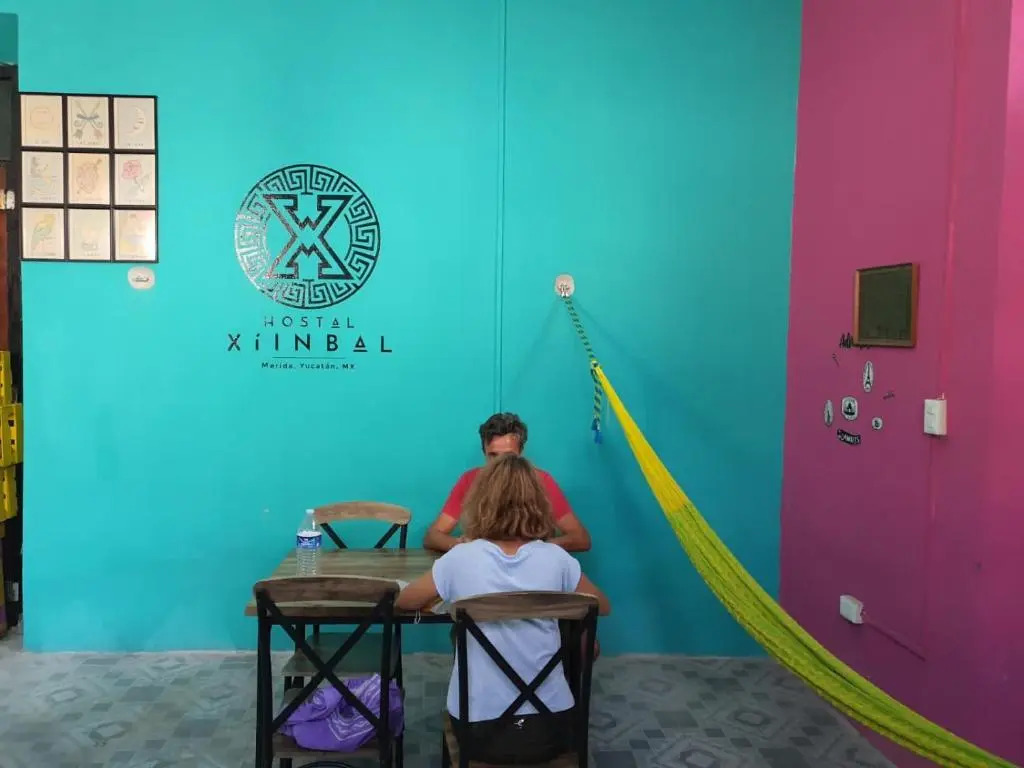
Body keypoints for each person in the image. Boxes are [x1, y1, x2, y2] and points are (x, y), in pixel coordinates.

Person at [397, 454, 610, 763]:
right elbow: (601, 605)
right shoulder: (557, 559)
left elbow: (405, 601)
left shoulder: (459, 559)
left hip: (478, 734)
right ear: (538, 503)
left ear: (482, 501)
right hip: (553, 730)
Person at [423, 413, 591, 552]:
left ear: (521, 452)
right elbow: (433, 536)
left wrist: (537, 550)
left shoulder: (541, 481)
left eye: (508, 456)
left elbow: (580, 539)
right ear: (484, 452)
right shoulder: (470, 480)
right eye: (493, 455)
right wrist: (463, 547)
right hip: (482, 569)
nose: (500, 464)